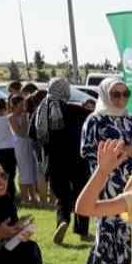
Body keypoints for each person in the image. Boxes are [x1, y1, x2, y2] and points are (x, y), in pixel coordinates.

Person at [78, 78, 132, 264]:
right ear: (105, 95)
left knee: (130, 227)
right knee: (109, 225)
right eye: (115, 94)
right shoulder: (95, 120)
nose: (121, 98)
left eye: (125, 93)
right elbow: (88, 151)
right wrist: (126, 151)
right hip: (107, 179)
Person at [33, 77, 93, 244]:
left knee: (62, 196)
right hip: (77, 161)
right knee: (82, 193)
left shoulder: (40, 112)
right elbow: (92, 122)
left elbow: (33, 136)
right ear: (66, 91)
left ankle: (63, 221)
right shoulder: (77, 110)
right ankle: (82, 231)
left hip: (53, 162)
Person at [8, 94, 41, 206]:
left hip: (29, 144)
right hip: (20, 146)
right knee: (24, 171)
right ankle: (24, 198)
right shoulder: (11, 117)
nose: (24, 107)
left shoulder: (25, 115)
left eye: (24, 104)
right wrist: (26, 119)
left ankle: (33, 197)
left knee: (32, 170)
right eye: (21, 104)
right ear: (15, 105)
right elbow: (21, 133)